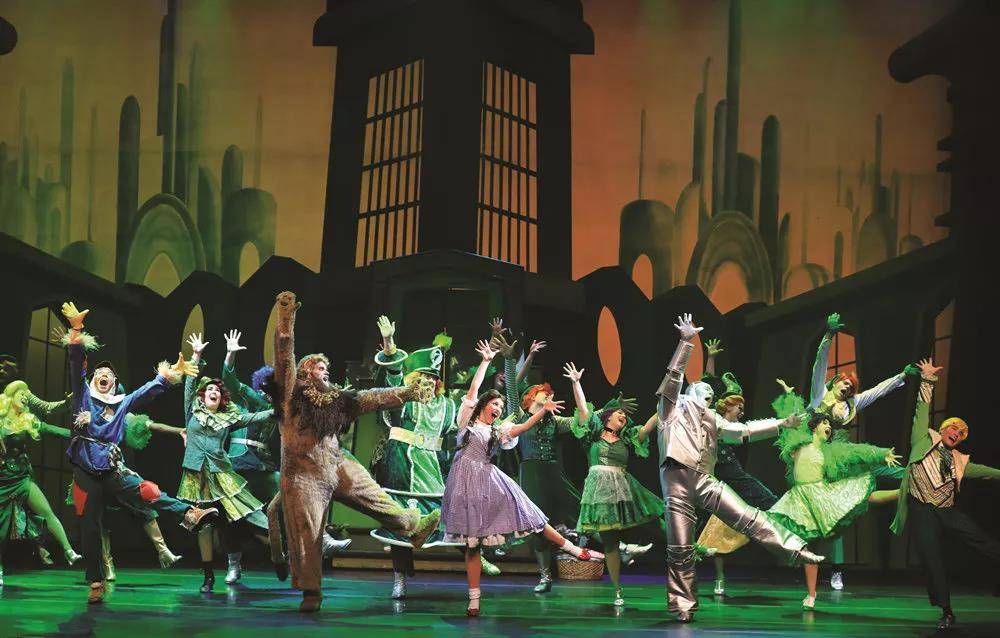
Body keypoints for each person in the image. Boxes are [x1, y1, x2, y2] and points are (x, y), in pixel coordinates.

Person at [269, 291, 441, 612]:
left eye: (327, 367)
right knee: (309, 535)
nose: (326, 371)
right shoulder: (292, 394)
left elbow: (371, 397)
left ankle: (413, 528)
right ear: (305, 372)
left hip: (337, 464)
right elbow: (284, 354)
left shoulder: (337, 400)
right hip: (303, 475)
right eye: (320, 367)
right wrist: (286, 317)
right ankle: (311, 593)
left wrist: (407, 392)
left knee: (376, 496)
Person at [656, 314, 823, 622]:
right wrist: (686, 342)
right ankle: (683, 607)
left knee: (749, 516)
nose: (708, 396)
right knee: (679, 549)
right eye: (703, 391)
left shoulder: (712, 419)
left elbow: (744, 430)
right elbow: (674, 376)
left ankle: (796, 550)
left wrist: (782, 424)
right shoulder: (670, 409)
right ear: (690, 393)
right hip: (676, 481)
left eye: (711, 395)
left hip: (704, 480)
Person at [59, 301, 218, 604]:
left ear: (114, 383)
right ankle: (95, 581)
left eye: (108, 374)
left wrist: (171, 373)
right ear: (93, 379)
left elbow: (147, 390)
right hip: (85, 471)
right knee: (89, 526)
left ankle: (190, 513)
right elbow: (76, 363)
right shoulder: (83, 397)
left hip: (111, 469)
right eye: (99, 372)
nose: (103, 374)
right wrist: (76, 330)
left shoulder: (121, 403)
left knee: (149, 491)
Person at [442, 339, 603, 617]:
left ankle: (574, 549)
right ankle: (474, 599)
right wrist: (485, 362)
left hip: (491, 480)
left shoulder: (499, 430)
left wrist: (544, 410)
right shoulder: (466, 421)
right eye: (495, 404)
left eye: (501, 405)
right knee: (472, 545)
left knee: (532, 515)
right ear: (484, 404)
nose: (498, 408)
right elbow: (473, 390)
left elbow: (524, 426)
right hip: (465, 484)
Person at [218, 329, 350, 586]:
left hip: (263, 466)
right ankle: (233, 564)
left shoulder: (281, 408)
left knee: (296, 494)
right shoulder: (250, 399)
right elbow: (230, 381)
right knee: (231, 518)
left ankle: (321, 539)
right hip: (238, 465)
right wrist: (230, 355)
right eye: (270, 384)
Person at [808, 312, 919, 591]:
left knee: (879, 464)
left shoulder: (852, 405)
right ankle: (833, 568)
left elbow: (878, 391)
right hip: (820, 461)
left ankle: (917, 477)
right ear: (835, 382)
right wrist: (828, 335)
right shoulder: (818, 396)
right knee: (834, 514)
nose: (847, 388)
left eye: (851, 387)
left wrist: (901, 376)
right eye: (844, 384)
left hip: (846, 454)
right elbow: (819, 366)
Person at [889, 358, 1000, 630]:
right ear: (943, 429)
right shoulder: (923, 439)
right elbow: (921, 410)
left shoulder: (960, 460)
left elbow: (988, 471)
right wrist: (927, 379)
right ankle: (947, 611)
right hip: (922, 509)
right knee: (932, 557)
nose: (957, 434)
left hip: (947, 510)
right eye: (954, 428)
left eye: (962, 434)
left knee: (981, 540)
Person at [768, 410, 901, 610]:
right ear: (814, 426)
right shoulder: (799, 444)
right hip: (798, 498)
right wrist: (792, 404)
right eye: (824, 422)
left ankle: (901, 492)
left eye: (830, 424)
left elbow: (855, 451)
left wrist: (882, 454)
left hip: (821, 496)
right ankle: (811, 594)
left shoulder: (829, 451)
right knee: (778, 530)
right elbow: (790, 425)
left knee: (861, 497)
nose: (828, 426)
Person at [492, 331, 589, 593]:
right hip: (532, 472)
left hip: (553, 472)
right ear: (531, 399)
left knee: (579, 506)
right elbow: (512, 389)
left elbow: (582, 419)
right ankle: (545, 576)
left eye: (549, 394)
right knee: (537, 522)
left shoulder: (555, 421)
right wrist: (510, 360)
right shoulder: (520, 415)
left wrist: (577, 386)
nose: (548, 396)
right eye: (543, 393)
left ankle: (611, 545)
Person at [179, 333, 276, 592]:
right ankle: (208, 575)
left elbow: (253, 418)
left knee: (246, 513)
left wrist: (276, 411)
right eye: (208, 389)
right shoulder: (192, 411)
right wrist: (196, 356)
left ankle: (282, 549)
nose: (213, 391)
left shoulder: (227, 418)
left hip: (221, 473)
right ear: (202, 396)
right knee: (202, 524)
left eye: (217, 390)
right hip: (197, 474)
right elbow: (189, 382)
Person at [694, 340, 782, 596]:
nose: (742, 411)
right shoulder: (710, 415)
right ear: (727, 405)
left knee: (763, 500)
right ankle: (717, 577)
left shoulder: (731, 428)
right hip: (712, 475)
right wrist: (710, 358)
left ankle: (783, 534)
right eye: (739, 407)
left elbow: (744, 431)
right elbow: (707, 383)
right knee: (713, 528)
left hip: (729, 473)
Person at [0, 380, 81, 586]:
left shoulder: (27, 420)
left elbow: (50, 428)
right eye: (21, 393)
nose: (25, 397)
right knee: (1, 529)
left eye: (27, 395)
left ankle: (68, 551)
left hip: (22, 478)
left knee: (46, 511)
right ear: (10, 396)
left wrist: (75, 435)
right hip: (2, 481)